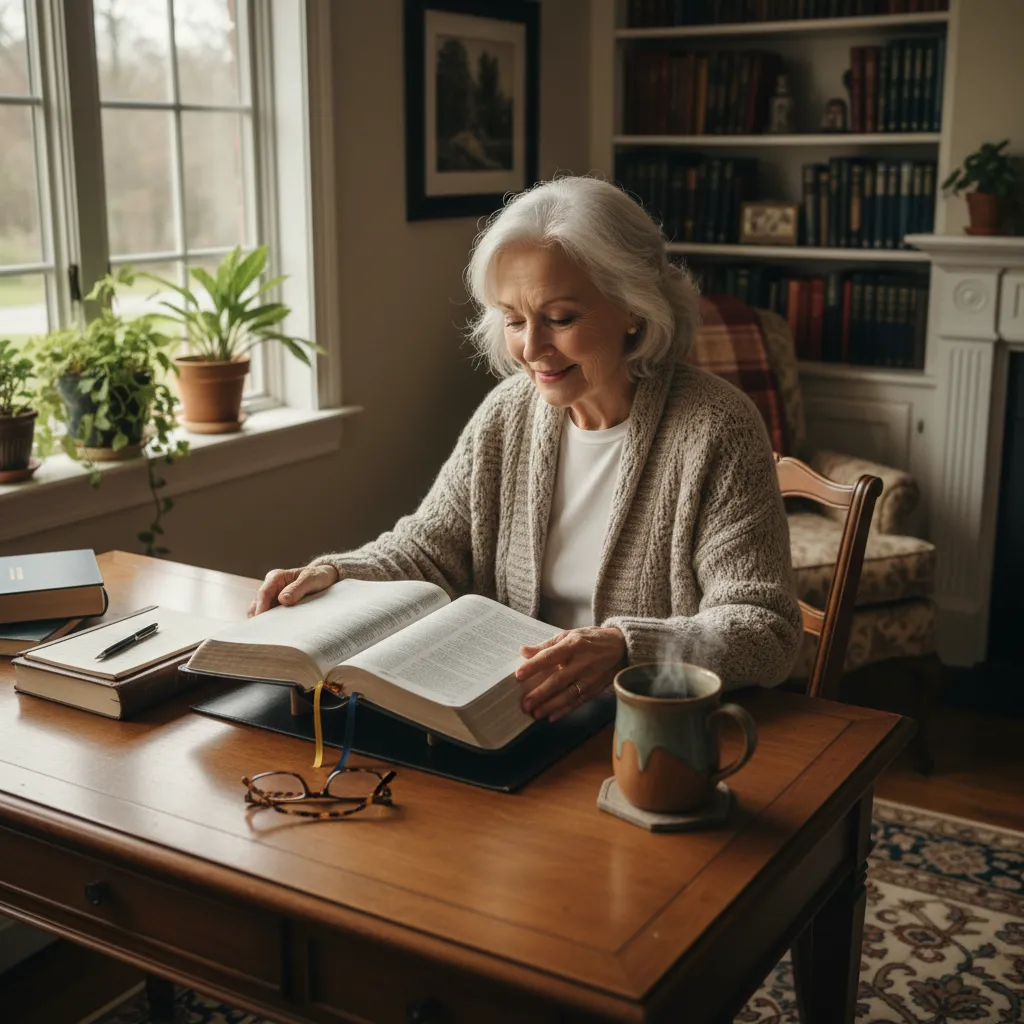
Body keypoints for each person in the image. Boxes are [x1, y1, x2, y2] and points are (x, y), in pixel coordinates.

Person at [250, 176, 802, 722]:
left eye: (560, 319)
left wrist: (626, 647)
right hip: (510, 718)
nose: (532, 349)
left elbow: (765, 628)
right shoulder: (508, 413)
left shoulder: (717, 427)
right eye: (514, 320)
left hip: (648, 727)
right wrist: (337, 573)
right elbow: (429, 549)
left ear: (634, 306)